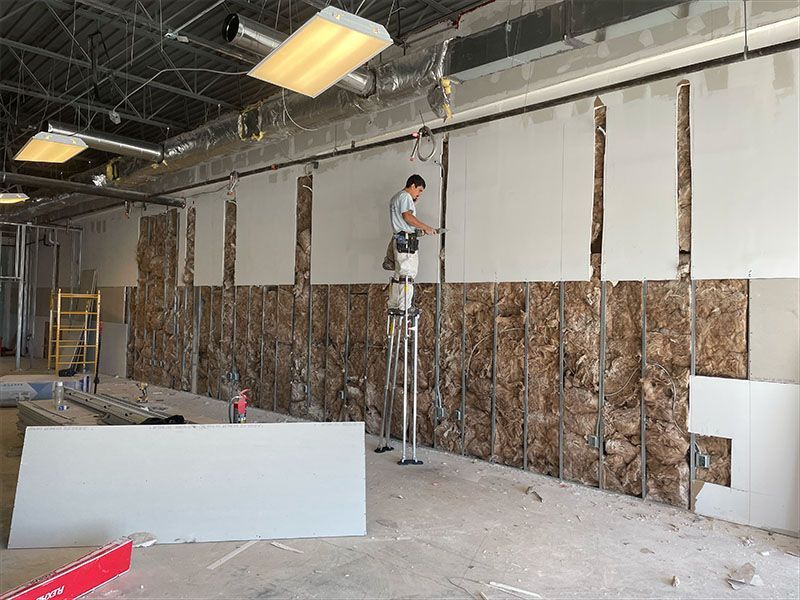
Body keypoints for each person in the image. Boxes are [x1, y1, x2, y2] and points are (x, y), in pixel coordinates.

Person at [382, 175, 436, 272]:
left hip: (400, 240)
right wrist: (426, 227)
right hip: (406, 242)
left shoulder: (397, 197)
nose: (419, 194)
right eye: (419, 190)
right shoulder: (405, 196)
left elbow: (402, 221)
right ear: (413, 185)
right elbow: (407, 217)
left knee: (400, 274)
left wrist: (413, 203)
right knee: (408, 275)